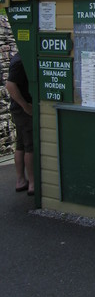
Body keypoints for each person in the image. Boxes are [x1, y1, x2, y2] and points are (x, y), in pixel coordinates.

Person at [6, 52, 34, 195]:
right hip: (23, 111)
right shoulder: (20, 60)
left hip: (19, 110)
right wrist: (26, 106)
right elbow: (10, 85)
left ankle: (21, 180)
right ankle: (32, 184)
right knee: (30, 147)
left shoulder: (17, 58)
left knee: (21, 144)